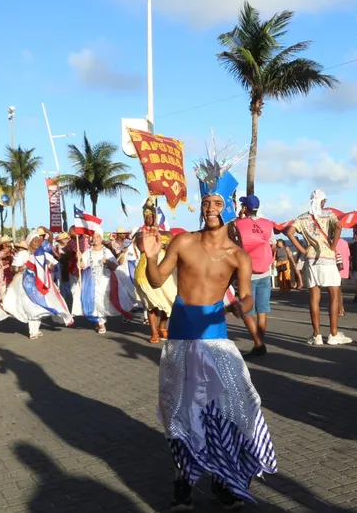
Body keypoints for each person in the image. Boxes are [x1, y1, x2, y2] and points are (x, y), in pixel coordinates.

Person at [142, 148, 277, 510]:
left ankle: (223, 479)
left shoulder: (239, 256)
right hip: (182, 339)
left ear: (228, 206)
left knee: (229, 407)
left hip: (216, 339)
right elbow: (156, 281)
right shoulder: (184, 241)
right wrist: (150, 253)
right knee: (180, 412)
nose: (210, 208)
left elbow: (247, 298)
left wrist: (239, 306)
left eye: (217, 202)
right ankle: (183, 482)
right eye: (206, 202)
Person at [286, 190, 352, 346]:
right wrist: (334, 245)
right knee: (334, 295)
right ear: (323, 202)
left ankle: (317, 335)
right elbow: (339, 226)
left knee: (314, 298)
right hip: (328, 258)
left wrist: (302, 250)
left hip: (311, 260)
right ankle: (333, 334)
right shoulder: (328, 215)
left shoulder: (302, 218)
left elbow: (289, 232)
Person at [3, 229, 74, 339]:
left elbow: (53, 265)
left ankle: (35, 330)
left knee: (39, 305)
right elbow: (13, 267)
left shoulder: (44, 254)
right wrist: (19, 268)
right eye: (34, 240)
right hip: (26, 283)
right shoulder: (23, 255)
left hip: (42, 283)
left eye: (38, 240)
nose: (37, 242)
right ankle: (33, 331)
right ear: (29, 242)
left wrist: (50, 267)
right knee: (31, 305)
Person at [72, 230, 135, 334]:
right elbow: (82, 266)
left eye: (97, 237)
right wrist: (79, 258)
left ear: (101, 239)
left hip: (106, 279)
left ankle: (101, 318)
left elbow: (114, 266)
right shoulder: (88, 252)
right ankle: (101, 323)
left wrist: (107, 261)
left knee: (104, 300)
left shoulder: (107, 251)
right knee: (95, 299)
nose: (95, 239)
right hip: (92, 280)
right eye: (94, 237)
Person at [236, 195, 276, 357]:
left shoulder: (238, 224)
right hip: (265, 271)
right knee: (262, 311)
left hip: (247, 273)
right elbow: (272, 245)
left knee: (246, 310)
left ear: (245, 208)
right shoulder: (267, 224)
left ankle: (258, 344)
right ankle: (259, 343)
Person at [135, 199, 176, 342]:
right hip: (146, 270)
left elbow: (173, 248)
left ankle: (162, 325)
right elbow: (141, 247)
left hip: (165, 270)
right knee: (151, 304)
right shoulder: (140, 234)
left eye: (152, 216)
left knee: (171, 300)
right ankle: (154, 333)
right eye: (146, 217)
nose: (149, 219)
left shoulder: (168, 234)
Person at [335, 236, 351, 317]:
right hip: (344, 269)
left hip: (335, 268)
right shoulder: (345, 243)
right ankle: (341, 308)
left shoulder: (332, 242)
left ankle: (340, 309)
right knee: (339, 290)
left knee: (337, 291)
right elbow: (348, 255)